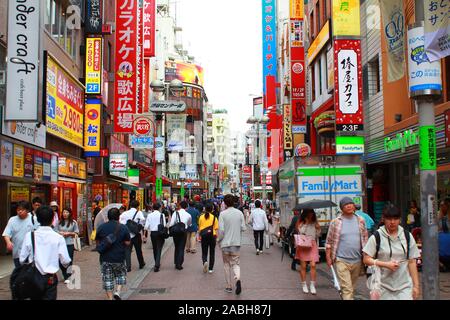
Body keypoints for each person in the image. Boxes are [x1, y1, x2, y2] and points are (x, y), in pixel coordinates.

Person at [363, 205, 420, 300]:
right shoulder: (377, 237)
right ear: (383, 219)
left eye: (395, 218)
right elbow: (366, 259)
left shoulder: (407, 236)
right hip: (382, 286)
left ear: (400, 220)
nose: (392, 222)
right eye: (389, 219)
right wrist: (385, 264)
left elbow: (412, 262)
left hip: (404, 286)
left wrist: (416, 286)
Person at [18, 205, 71, 300]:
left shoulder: (29, 236)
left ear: (38, 219)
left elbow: (22, 259)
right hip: (50, 278)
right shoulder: (58, 237)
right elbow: (66, 261)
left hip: (33, 277)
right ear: (52, 219)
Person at [325, 197, 368, 300]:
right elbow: (329, 241)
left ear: (354, 206)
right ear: (341, 208)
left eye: (350, 203)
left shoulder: (361, 221)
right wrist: (328, 256)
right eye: (345, 205)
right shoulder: (335, 222)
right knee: (347, 289)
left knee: (350, 288)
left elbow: (365, 239)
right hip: (341, 260)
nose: (349, 206)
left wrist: (367, 256)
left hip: (357, 260)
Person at [96, 207, 131, 300]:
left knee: (107, 279)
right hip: (119, 257)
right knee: (121, 275)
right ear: (118, 217)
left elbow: (97, 242)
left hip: (105, 258)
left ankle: (110, 298)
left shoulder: (101, 227)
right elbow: (128, 242)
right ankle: (118, 292)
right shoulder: (123, 227)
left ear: (108, 217)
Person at [218, 194, 247, 295]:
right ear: (234, 202)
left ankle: (229, 286)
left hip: (225, 244)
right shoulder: (239, 213)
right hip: (236, 243)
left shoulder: (222, 214)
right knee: (236, 264)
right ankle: (237, 279)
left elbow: (221, 230)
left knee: (226, 264)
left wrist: (218, 240)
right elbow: (244, 228)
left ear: (225, 203)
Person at [3, 201, 38, 268]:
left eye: (22, 209)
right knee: (19, 272)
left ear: (27, 210)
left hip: (30, 253)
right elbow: (6, 233)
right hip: (17, 253)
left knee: (28, 274)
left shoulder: (34, 219)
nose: (20, 211)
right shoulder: (12, 220)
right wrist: (8, 242)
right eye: (18, 209)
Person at [295, 209, 321, 295]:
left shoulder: (315, 223)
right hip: (303, 245)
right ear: (305, 214)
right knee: (303, 266)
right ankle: (304, 284)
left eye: (312, 213)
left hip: (312, 244)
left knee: (313, 265)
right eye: (309, 213)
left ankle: (312, 285)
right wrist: (306, 223)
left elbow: (318, 235)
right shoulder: (301, 223)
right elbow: (301, 232)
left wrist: (318, 229)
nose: (311, 215)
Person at [120, 200, 146, 272]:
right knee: (138, 250)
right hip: (136, 235)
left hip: (127, 235)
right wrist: (139, 225)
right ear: (138, 206)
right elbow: (143, 220)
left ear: (130, 206)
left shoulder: (125, 213)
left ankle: (128, 267)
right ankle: (141, 264)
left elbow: (121, 221)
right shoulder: (139, 212)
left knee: (127, 251)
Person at [56, 207, 79, 284]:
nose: (65, 214)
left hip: (70, 243)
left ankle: (67, 275)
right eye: (64, 212)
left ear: (70, 213)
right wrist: (61, 233)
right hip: (60, 244)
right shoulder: (59, 222)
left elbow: (76, 233)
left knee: (69, 259)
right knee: (60, 260)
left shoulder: (73, 222)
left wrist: (68, 233)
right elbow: (55, 231)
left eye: (67, 212)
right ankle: (64, 273)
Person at [169, 201, 192, 270]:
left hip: (176, 232)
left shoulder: (175, 213)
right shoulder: (188, 215)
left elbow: (171, 223)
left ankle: (176, 262)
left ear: (180, 206)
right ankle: (179, 264)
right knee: (181, 248)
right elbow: (189, 224)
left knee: (176, 247)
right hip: (183, 232)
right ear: (186, 207)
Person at [144, 202, 166, 272]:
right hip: (160, 233)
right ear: (159, 208)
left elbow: (146, 226)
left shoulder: (150, 215)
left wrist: (144, 234)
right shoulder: (162, 215)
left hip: (153, 233)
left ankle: (156, 262)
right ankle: (157, 264)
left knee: (155, 248)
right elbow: (164, 225)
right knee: (159, 248)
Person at [198, 202, 219, 273]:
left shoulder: (201, 217)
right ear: (212, 209)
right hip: (212, 236)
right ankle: (210, 268)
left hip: (204, 236)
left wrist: (199, 236)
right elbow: (216, 228)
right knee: (212, 252)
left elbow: (200, 227)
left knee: (204, 252)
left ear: (205, 209)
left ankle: (205, 261)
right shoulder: (214, 218)